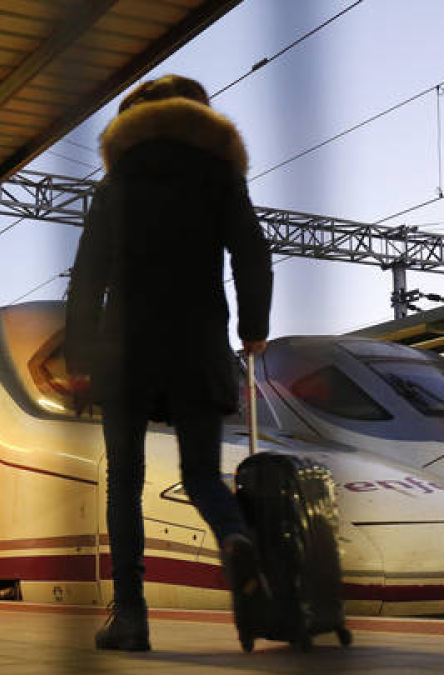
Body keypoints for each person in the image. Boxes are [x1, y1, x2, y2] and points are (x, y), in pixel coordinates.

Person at [65, 74, 273, 651]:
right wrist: (254, 327)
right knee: (203, 474)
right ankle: (234, 536)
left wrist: (80, 357)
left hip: (125, 350)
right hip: (198, 344)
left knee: (124, 485)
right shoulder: (220, 175)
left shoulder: (115, 184)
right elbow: (253, 251)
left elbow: (88, 277)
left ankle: (130, 617)